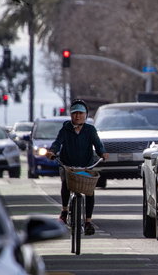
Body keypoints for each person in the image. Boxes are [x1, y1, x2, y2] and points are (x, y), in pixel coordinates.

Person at [45, 99, 109, 235]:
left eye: (80, 113)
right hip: (68, 165)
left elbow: (98, 144)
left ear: (86, 115)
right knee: (65, 184)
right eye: (74, 113)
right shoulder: (66, 129)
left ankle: (88, 221)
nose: (77, 116)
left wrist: (102, 153)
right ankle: (64, 210)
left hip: (86, 166)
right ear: (70, 115)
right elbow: (57, 143)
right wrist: (52, 152)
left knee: (90, 191)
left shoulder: (90, 130)